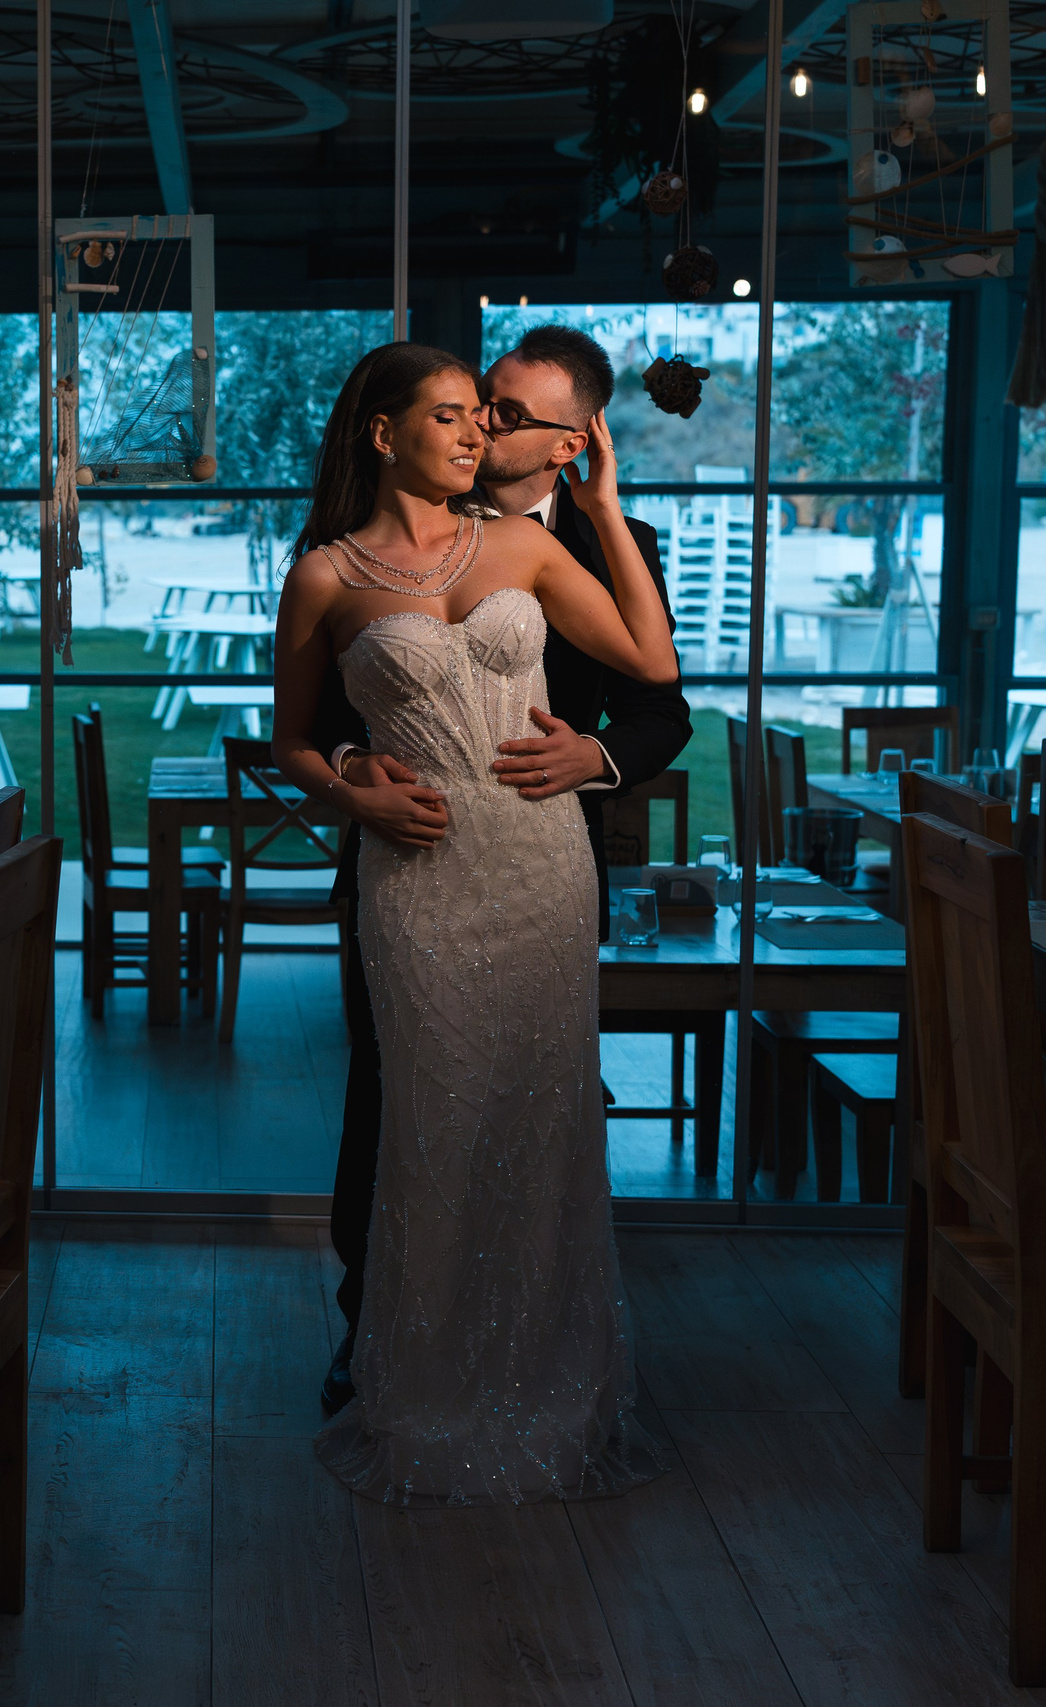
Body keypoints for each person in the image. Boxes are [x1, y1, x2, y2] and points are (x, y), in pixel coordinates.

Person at [271, 335, 681, 1506]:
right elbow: (292, 733)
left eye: (491, 414)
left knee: (546, 1120)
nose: (479, 431)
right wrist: (346, 779)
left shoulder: (541, 544)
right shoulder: (324, 571)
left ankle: (549, 1376)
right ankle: (398, 1365)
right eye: (460, 411)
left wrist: (603, 516)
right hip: (413, 880)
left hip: (542, 865)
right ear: (385, 431)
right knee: (411, 1124)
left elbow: (657, 682)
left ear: (571, 438)